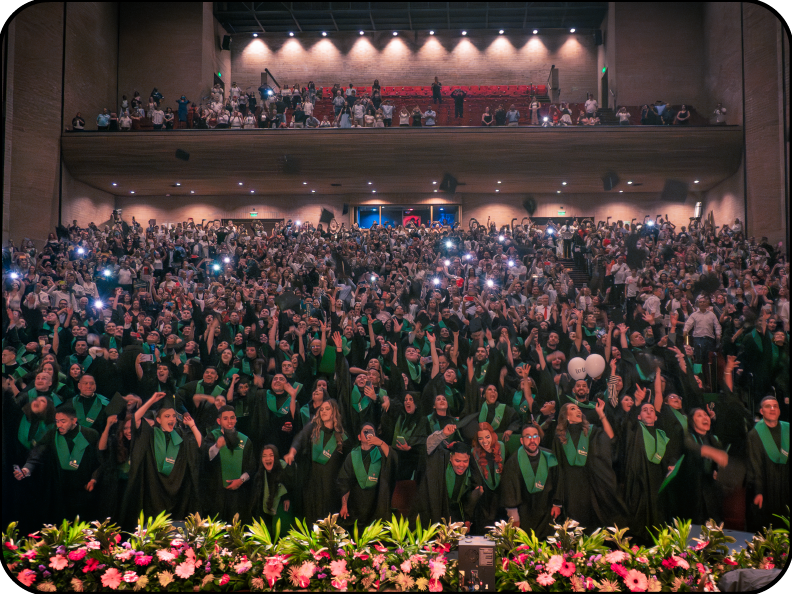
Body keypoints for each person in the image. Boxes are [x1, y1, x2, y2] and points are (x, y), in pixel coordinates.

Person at [119, 392, 202, 528]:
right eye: (167, 416)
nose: (172, 419)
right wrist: (151, 400)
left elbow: (199, 445)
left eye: (174, 416)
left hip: (176, 488)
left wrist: (192, 425)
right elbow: (136, 419)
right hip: (154, 487)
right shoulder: (150, 434)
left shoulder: (180, 435)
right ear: (158, 419)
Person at [14, 405, 101, 523]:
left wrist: (94, 478)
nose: (59, 425)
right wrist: (27, 469)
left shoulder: (91, 435)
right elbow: (38, 452)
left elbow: (100, 460)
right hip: (60, 491)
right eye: (57, 421)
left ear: (74, 420)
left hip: (83, 490)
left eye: (63, 421)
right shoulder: (52, 434)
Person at [284, 399, 348, 522]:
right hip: (312, 482)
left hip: (331, 485)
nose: (323, 411)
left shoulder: (342, 437)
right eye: (321, 409)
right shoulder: (313, 429)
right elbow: (300, 438)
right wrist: (292, 453)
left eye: (327, 409)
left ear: (334, 412)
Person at [501, 424, 560, 539]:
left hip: (547, 511)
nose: (532, 440)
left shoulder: (549, 457)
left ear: (539, 439)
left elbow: (558, 481)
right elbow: (509, 491)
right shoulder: (513, 462)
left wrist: (557, 503)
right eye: (528, 437)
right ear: (521, 441)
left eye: (535, 436)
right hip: (525, 513)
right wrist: (514, 517)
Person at [412, 440, 482, 529]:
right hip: (437, 511)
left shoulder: (471, 474)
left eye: (465, 461)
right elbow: (429, 447)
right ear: (450, 458)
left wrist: (467, 519)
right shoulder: (441, 469)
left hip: (456, 513)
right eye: (457, 461)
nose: (461, 465)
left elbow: (467, 499)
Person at [337, 422, 396, 528]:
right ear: (359, 437)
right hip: (356, 506)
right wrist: (344, 505)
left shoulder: (381, 453)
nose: (369, 434)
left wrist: (381, 443)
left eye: (371, 432)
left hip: (376, 505)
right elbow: (344, 482)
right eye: (366, 431)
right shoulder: (352, 456)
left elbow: (392, 459)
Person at [203, 405, 257, 521]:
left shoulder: (245, 440)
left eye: (232, 418)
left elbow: (251, 467)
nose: (230, 421)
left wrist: (241, 480)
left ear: (236, 419)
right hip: (216, 492)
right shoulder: (212, 437)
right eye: (225, 418)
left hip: (238, 494)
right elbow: (205, 459)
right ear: (219, 421)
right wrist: (217, 446)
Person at [746, 396, 789, 532]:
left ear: (779, 411)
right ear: (761, 411)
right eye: (768, 406)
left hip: (786, 486)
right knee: (766, 528)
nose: (772, 409)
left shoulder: (788, 429)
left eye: (775, 406)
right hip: (766, 488)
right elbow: (754, 464)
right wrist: (758, 491)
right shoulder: (755, 434)